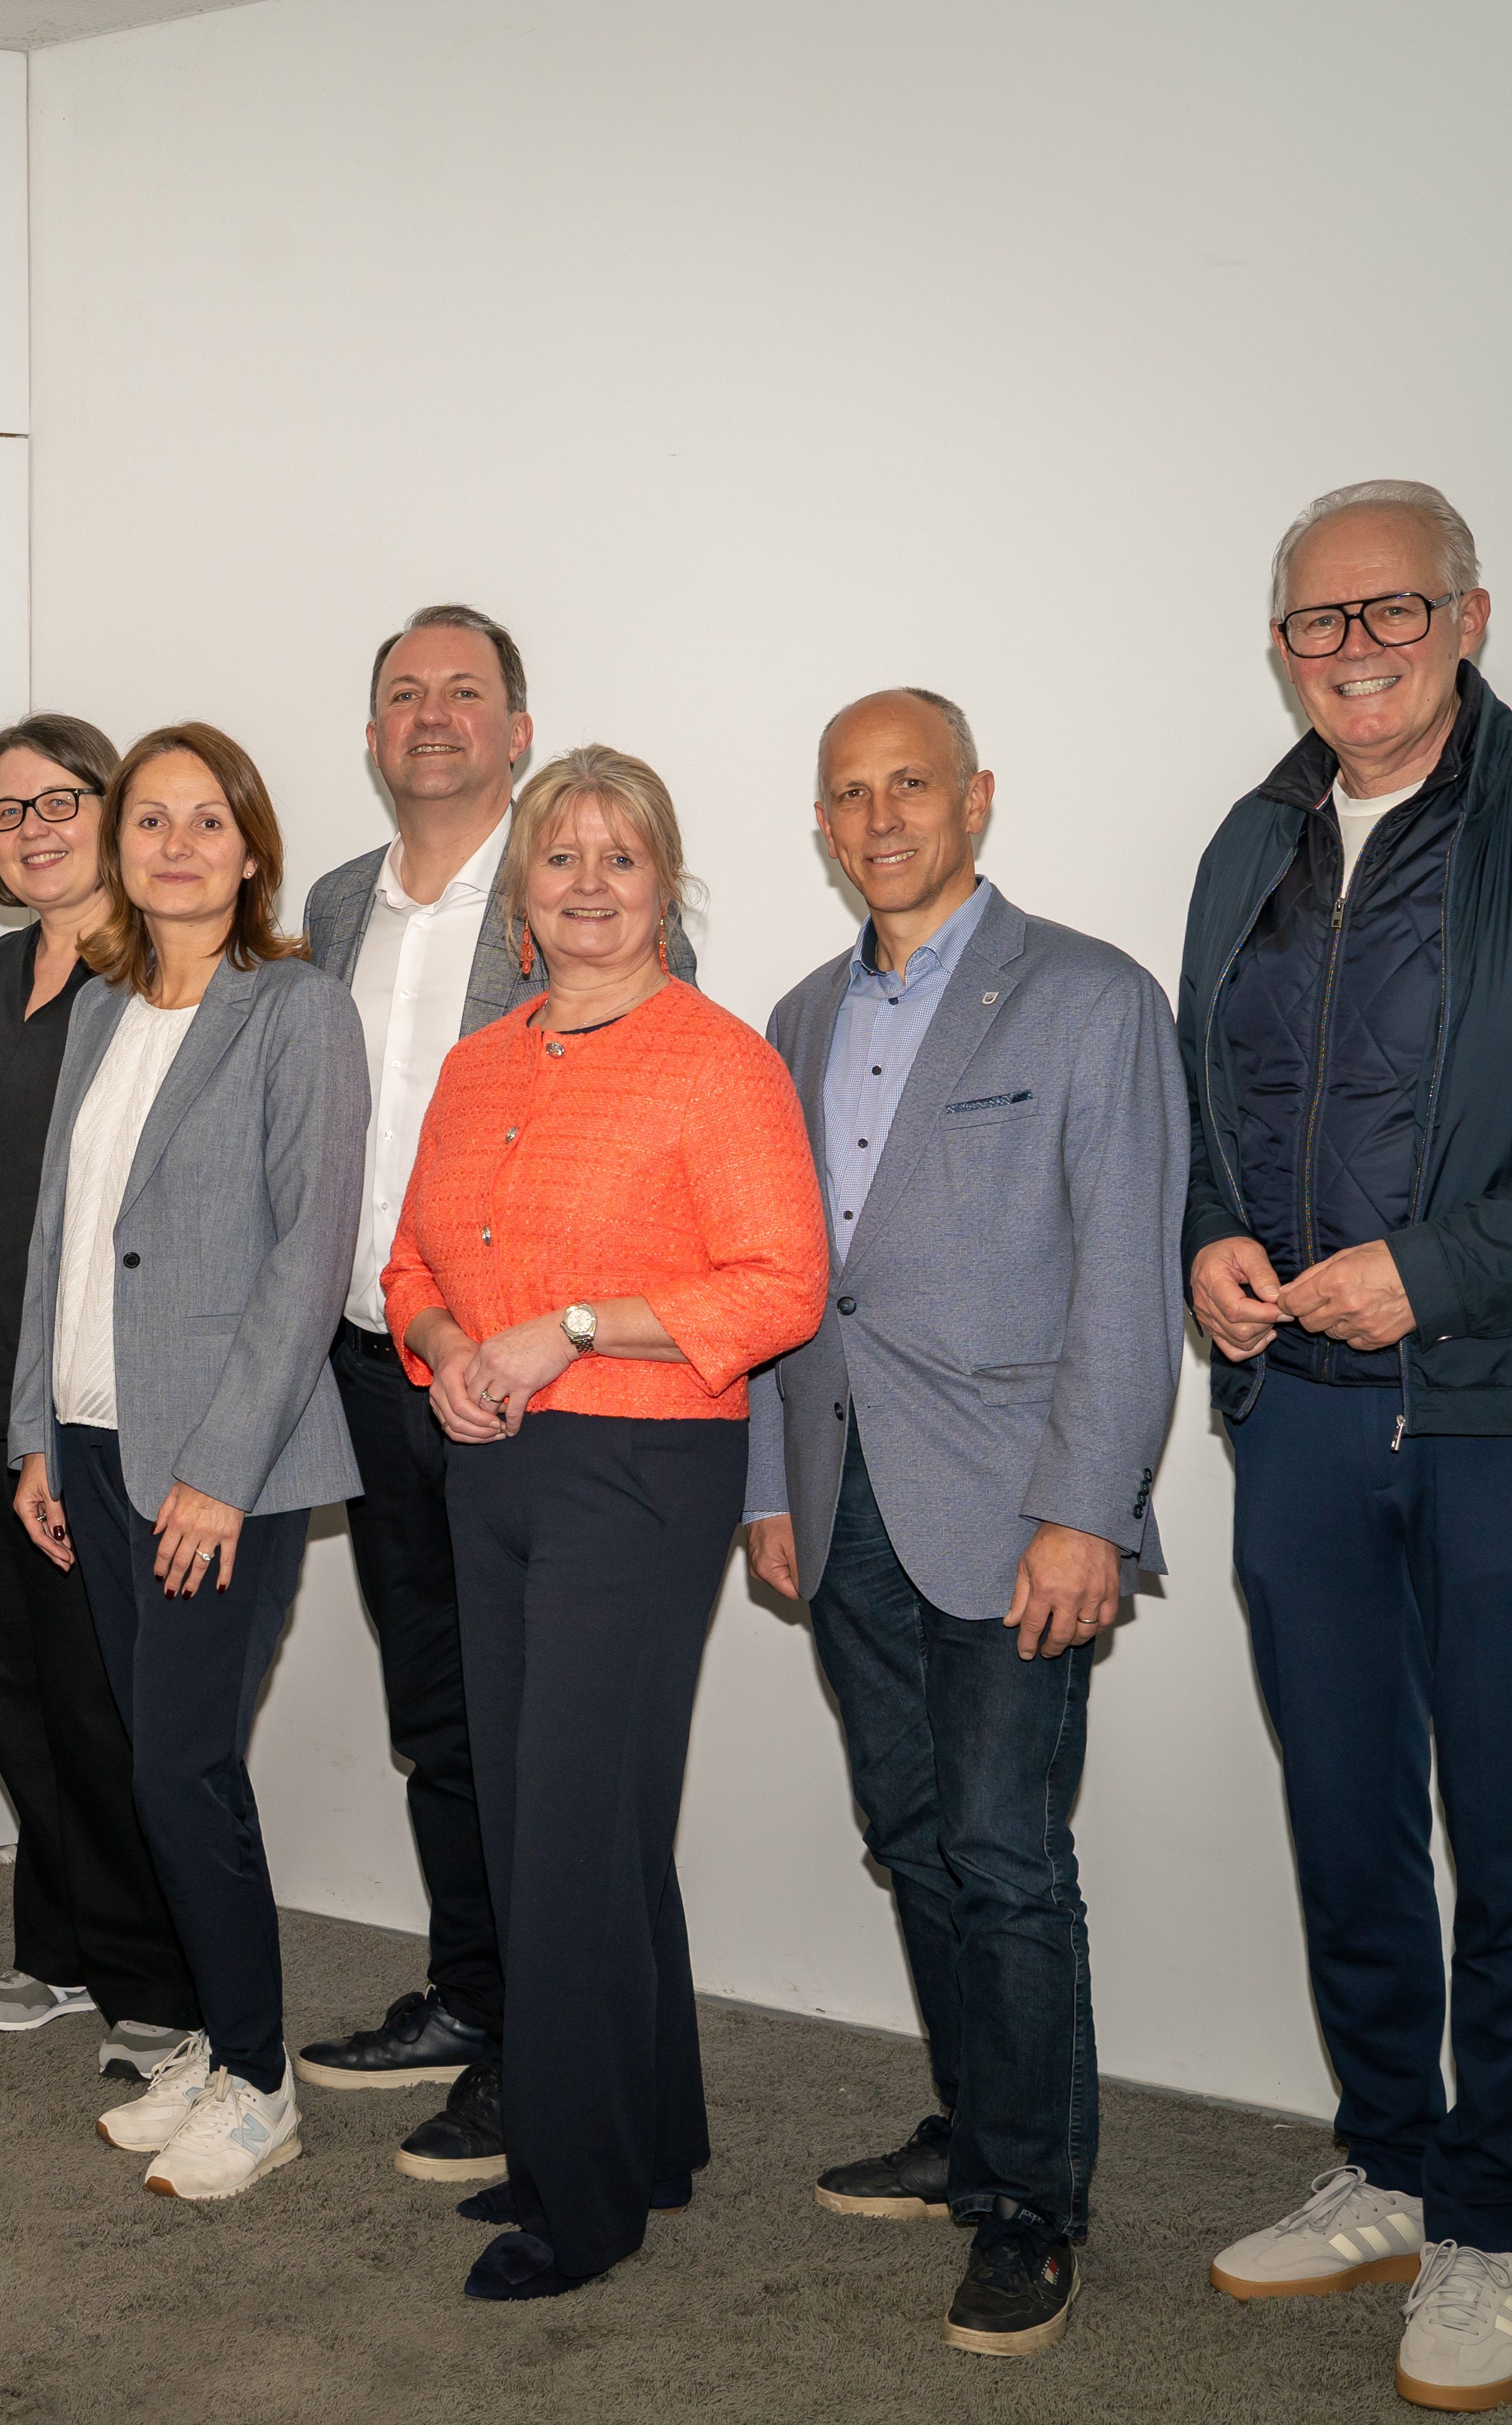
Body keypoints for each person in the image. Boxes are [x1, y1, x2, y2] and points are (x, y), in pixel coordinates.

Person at [1176, 481, 1512, 2413]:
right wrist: (1209, 1244)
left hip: (1508, 1415)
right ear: (1279, 647)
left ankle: (1490, 2222)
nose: (1351, 647)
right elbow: (1207, 1101)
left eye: (1386, 610)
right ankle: (1388, 2157)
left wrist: (1432, 1270)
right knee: (1341, 1816)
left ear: (1466, 617)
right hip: (1299, 1425)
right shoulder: (1248, 840)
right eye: (1313, 622)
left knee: (1506, 1831)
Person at [740, 691, 1187, 2358]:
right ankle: (969, 2127)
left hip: (1013, 1510)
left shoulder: (1086, 999)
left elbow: (1127, 1282)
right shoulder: (792, 1016)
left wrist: (1088, 1510)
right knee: (912, 1835)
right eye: (845, 794)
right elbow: (779, 1281)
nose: (876, 818)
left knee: (1003, 1859)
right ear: (820, 822)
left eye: (905, 784)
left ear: (973, 800)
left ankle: (1026, 2203)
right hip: (841, 1495)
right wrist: (768, 1486)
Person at [382, 743, 825, 2302]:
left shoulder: (717, 1061)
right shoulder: (480, 1063)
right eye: (558, 859)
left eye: (617, 859)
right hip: (493, 1466)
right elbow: (413, 1272)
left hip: (636, 1476)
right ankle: (644, 2134)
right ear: (523, 896)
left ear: (665, 885)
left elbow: (781, 1284)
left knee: (567, 1831)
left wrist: (564, 1325)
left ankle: (579, 2205)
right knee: (564, 1820)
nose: (586, 884)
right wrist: (445, 1359)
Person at [295, 605, 695, 2186]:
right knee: (439, 1711)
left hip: (535, 1383)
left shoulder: (580, 900)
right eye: (404, 694)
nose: (433, 716)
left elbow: (641, 1136)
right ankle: (476, 1997)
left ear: (517, 729)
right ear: (374, 732)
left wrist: (551, 1338)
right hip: (370, 1353)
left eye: (466, 692)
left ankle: (549, 2045)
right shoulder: (331, 904)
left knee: (541, 1735)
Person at [8, 723, 368, 2202]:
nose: (172, 843)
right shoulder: (97, 1014)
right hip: (91, 1444)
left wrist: (220, 1468)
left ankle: (262, 2081)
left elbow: (308, 1254)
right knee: (149, 1766)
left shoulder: (295, 1011)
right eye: (147, 818)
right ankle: (219, 2051)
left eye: (202, 820)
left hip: (225, 1466)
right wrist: (33, 1429)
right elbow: (59, 1236)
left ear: (249, 848)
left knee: (183, 1771)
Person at [0, 715, 202, 2079]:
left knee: (99, 1696)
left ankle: (153, 1968)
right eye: (2, 810)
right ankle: (65, 1942)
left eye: (59, 799)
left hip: (92, 1403)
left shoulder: (160, 978)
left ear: (113, 808)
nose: (31, 828)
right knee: (16, 1684)